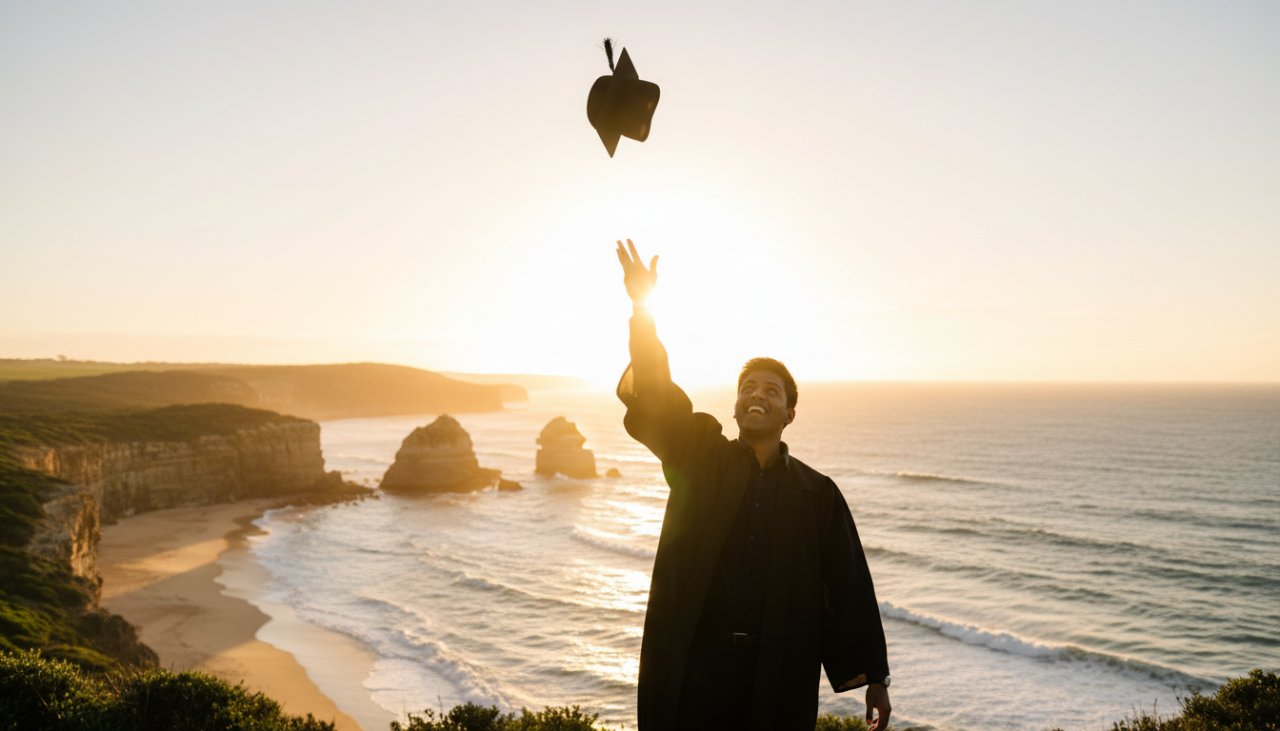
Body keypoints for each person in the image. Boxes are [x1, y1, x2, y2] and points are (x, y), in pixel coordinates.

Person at [614, 239, 892, 730]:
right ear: (737, 408)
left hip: (778, 676)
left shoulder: (817, 494)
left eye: (772, 391)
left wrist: (875, 676)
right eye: (748, 390)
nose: (757, 396)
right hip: (697, 671)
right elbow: (656, 394)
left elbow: (848, 586)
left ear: (790, 413)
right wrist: (642, 307)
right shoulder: (699, 455)